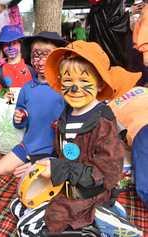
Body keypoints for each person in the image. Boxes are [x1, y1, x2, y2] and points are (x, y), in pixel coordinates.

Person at [10, 40, 142, 236]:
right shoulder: (66, 113)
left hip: (91, 192)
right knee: (17, 204)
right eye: (68, 81)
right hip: (65, 183)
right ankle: (93, 218)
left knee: (32, 226)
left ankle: (101, 219)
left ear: (99, 84)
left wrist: (60, 169)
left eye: (83, 81)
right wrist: (44, 164)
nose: (74, 88)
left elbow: (108, 172)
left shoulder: (103, 121)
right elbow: (62, 152)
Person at [0, 32, 66, 176]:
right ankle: (33, 164)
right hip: (29, 144)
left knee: (34, 176)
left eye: (47, 55)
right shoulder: (27, 88)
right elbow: (19, 121)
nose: (40, 62)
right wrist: (19, 118)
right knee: (1, 168)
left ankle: (39, 163)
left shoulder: (64, 87)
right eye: (36, 56)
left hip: (54, 149)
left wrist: (36, 163)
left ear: (58, 57)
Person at [0, 25, 34, 102]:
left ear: (21, 44)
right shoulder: (0, 72)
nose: (10, 47)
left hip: (30, 110)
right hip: (11, 111)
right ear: (2, 47)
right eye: (6, 44)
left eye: (14, 43)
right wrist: (3, 94)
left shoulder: (31, 68)